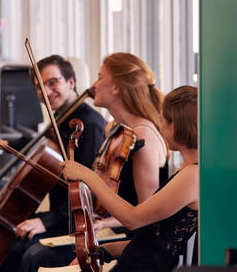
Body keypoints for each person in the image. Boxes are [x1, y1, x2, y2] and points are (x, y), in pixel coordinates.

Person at [20, 52, 169, 272]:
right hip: (105, 226)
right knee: (31, 250)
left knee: (36, 256)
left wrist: (103, 220)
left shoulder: (143, 138)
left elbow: (146, 219)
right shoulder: (114, 129)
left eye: (100, 77)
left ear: (116, 87)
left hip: (133, 243)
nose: (93, 85)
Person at [0, 55, 105, 272]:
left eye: (53, 83)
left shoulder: (90, 123)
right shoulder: (62, 117)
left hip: (75, 221)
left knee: (15, 248)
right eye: (40, 87)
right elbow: (39, 141)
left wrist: (45, 222)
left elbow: (88, 189)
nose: (47, 92)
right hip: (61, 214)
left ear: (71, 82)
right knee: (8, 236)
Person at [63, 85, 198, 271]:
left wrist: (87, 175)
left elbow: (132, 219)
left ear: (176, 124)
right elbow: (152, 239)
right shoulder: (188, 171)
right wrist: (103, 250)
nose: (159, 124)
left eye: (163, 120)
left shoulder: (193, 175)